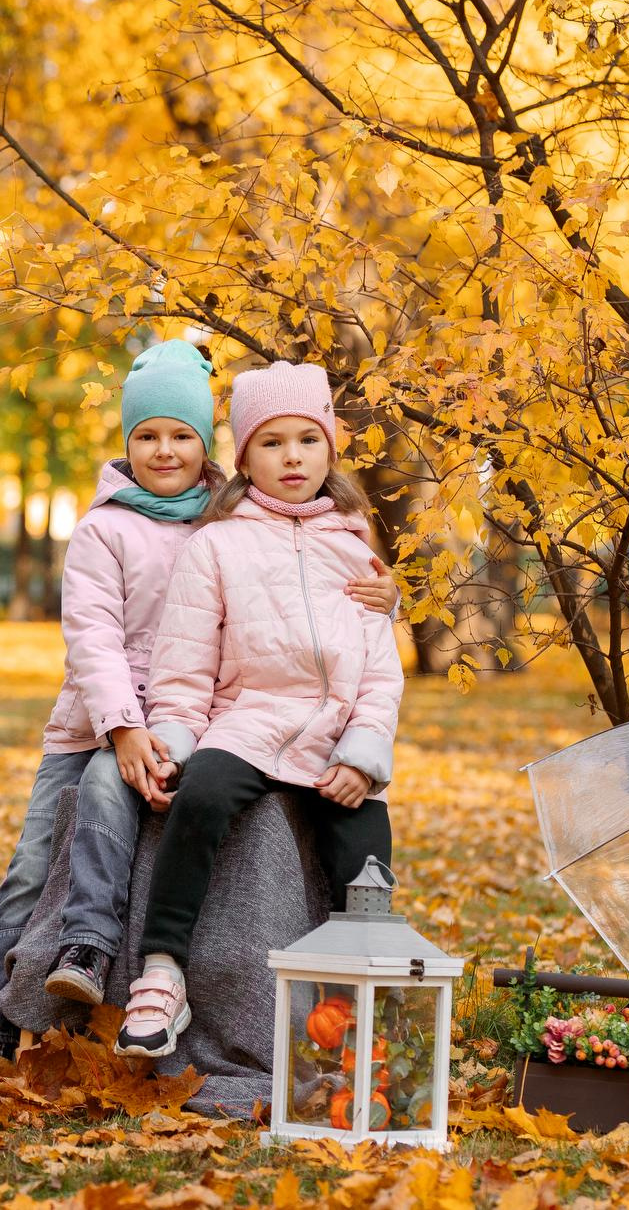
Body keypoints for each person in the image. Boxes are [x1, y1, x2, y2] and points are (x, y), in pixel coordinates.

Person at [0, 342, 395, 1093]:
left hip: (204, 721)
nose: (166, 449)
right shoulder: (106, 528)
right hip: (104, 726)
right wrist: (123, 728)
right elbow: (93, 636)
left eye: (182, 434)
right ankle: (2, 1017)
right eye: (147, 435)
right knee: (33, 867)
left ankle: (350, 1030)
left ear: (211, 445)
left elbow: (316, 584)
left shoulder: (235, 514)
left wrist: (387, 596)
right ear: (126, 442)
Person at [115, 361, 402, 1058]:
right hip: (245, 723)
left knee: (365, 854)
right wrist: (175, 743)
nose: (293, 456)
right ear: (243, 457)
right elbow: (183, 664)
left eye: (308, 439)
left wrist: (363, 753)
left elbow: (379, 669)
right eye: (272, 443)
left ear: (330, 448)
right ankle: (161, 971)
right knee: (202, 797)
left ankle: (355, 1005)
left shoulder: (355, 545)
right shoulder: (216, 543)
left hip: (332, 730)